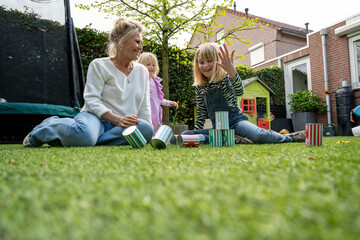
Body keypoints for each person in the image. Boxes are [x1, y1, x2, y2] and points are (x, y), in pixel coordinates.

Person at [23, 17, 153, 147]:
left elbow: (144, 107)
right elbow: (92, 100)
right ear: (120, 41)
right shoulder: (99, 65)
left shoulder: (142, 71)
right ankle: (48, 127)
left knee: (146, 129)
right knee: (85, 135)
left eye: (141, 43)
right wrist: (117, 119)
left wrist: (148, 133)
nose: (140, 47)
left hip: (121, 126)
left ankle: (89, 140)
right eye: (137, 42)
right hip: (95, 118)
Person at [181, 43, 305, 144]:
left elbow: (240, 91)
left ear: (218, 61)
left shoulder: (225, 79)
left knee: (259, 136)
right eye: (201, 62)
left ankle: (291, 137)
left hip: (236, 122)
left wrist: (232, 73)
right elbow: (201, 113)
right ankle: (234, 139)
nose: (205, 65)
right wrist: (195, 134)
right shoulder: (200, 87)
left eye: (209, 61)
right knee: (185, 135)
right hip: (218, 128)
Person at [137, 52, 178, 134]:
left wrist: (170, 103)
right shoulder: (139, 80)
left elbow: (159, 99)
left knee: (155, 128)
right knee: (145, 128)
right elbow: (134, 93)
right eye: (148, 64)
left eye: (153, 65)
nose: (151, 67)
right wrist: (143, 88)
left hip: (156, 113)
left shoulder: (155, 81)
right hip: (145, 113)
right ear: (140, 66)